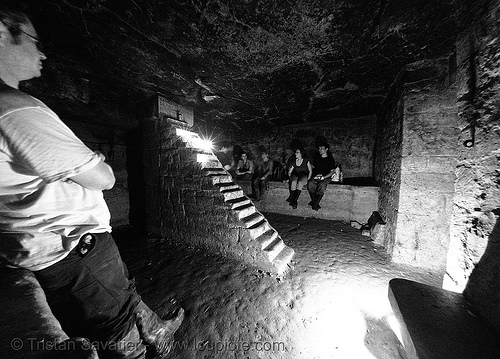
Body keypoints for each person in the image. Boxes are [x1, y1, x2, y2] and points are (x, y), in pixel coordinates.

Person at [0, 3, 184, 358]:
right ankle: (145, 350)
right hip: (71, 246)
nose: (42, 52)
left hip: (51, 248)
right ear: (3, 32)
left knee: (122, 292)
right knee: (116, 325)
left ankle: (158, 329)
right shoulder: (16, 109)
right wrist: (94, 159)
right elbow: (104, 178)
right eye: (34, 40)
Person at [307, 142, 336, 211]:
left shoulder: (330, 159)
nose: (320, 150)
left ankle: (314, 202)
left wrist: (324, 177)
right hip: (317, 176)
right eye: (319, 148)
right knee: (310, 183)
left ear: (326, 149)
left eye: (322, 149)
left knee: (322, 185)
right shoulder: (317, 158)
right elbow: (314, 167)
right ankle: (315, 203)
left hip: (326, 176)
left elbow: (332, 171)